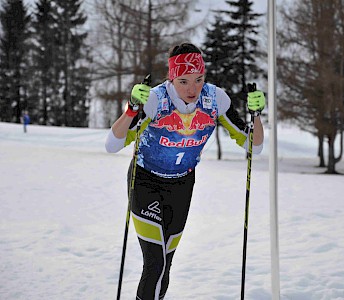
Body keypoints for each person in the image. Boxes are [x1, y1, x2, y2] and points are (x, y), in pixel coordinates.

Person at [105, 42, 266, 300]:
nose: (192, 88)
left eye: (198, 79)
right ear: (172, 77)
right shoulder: (156, 99)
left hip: (181, 186)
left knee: (165, 263)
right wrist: (132, 110)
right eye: (183, 81)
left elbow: (253, 145)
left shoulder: (215, 100)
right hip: (145, 181)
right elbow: (112, 144)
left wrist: (257, 115)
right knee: (154, 262)